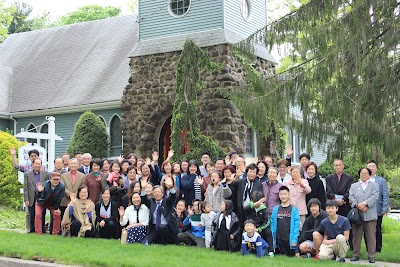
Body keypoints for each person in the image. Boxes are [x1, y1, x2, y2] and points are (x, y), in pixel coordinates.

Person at [348, 167, 379, 263]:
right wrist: (358, 205)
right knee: (356, 235)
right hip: (357, 215)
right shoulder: (354, 186)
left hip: (370, 214)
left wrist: (365, 203)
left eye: (366, 173)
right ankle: (355, 254)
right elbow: (351, 197)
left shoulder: (374, 185)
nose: (363, 175)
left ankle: (371, 255)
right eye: (362, 173)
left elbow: (374, 197)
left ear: (369, 175)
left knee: (371, 236)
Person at [325, 159, 353, 248]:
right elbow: (328, 190)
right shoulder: (329, 178)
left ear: (343, 166)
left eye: (339, 165)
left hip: (345, 205)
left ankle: (348, 245)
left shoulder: (349, 178)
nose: (338, 167)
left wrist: (343, 199)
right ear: (334, 167)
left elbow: (350, 191)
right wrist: (334, 200)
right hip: (333, 205)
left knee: (346, 224)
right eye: (336, 165)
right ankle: (333, 244)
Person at [270, 185, 301, 257]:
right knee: (280, 255)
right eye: (281, 194)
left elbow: (296, 226)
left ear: (289, 195)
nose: (283, 196)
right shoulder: (276, 209)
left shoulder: (294, 209)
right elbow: (272, 223)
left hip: (289, 239)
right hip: (278, 239)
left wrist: (294, 239)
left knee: (289, 256)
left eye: (285, 194)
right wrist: (273, 239)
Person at [366, 160, 389, 253]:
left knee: (377, 229)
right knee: (367, 230)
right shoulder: (363, 179)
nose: (371, 168)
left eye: (373, 166)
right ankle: (369, 250)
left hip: (377, 209)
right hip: (366, 209)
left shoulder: (381, 181)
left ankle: (378, 249)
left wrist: (385, 208)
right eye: (369, 166)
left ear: (376, 169)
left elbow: (385, 195)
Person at [243, 191, 274, 257]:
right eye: (255, 201)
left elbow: (266, 222)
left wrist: (258, 229)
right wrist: (254, 204)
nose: (257, 204)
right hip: (251, 227)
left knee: (268, 232)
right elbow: (244, 209)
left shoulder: (264, 210)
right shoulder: (250, 207)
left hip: (260, 228)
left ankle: (271, 251)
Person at [24, 158, 48, 233]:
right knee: (32, 213)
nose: (37, 165)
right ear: (32, 164)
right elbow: (25, 188)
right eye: (36, 164)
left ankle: (41, 229)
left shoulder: (45, 173)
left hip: (41, 196)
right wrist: (26, 199)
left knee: (42, 213)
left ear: (41, 165)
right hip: (31, 196)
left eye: (39, 164)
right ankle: (32, 229)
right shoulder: (27, 174)